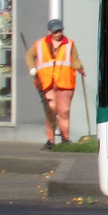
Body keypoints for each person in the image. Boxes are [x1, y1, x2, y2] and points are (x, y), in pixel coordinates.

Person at [26, 18, 84, 149]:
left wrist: (79, 67)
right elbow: (29, 56)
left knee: (64, 111)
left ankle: (65, 139)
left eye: (60, 30)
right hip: (46, 82)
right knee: (50, 110)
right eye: (55, 31)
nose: (58, 33)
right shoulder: (39, 44)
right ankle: (50, 140)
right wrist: (31, 68)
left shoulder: (69, 44)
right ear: (49, 31)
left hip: (64, 81)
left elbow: (74, 60)